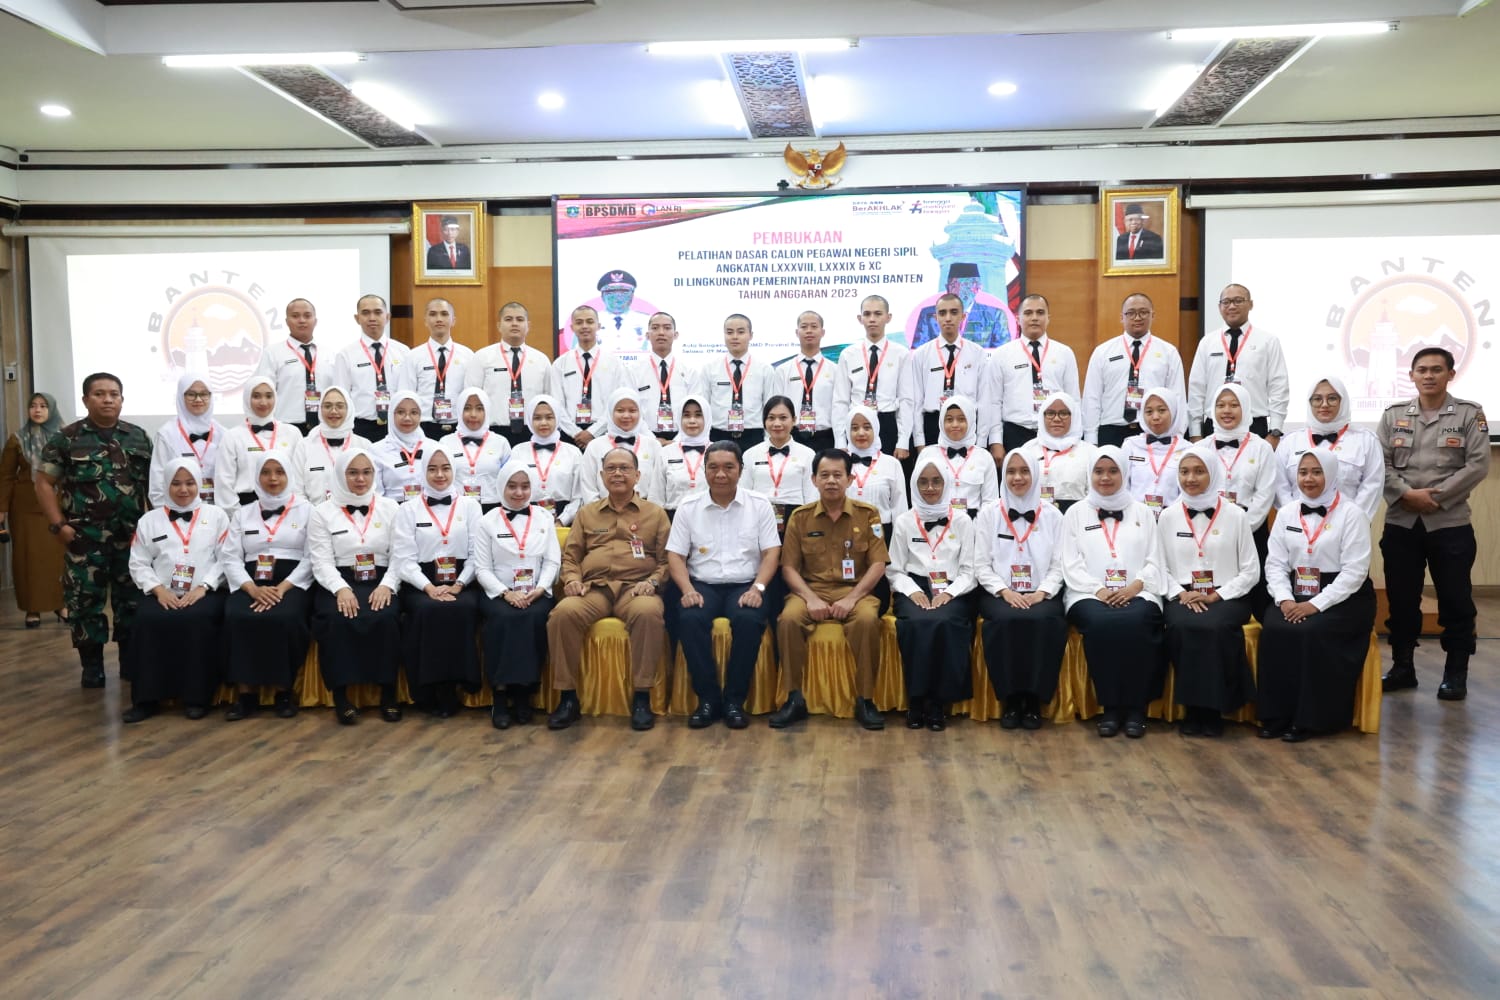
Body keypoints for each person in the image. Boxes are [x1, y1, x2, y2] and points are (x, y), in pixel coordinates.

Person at [1376, 347, 1490, 699]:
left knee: (1455, 600)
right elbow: (1380, 462)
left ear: (1450, 375)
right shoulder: (1394, 415)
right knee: (1402, 600)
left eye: (1436, 370)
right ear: (1410, 375)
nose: (1428, 376)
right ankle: (1403, 667)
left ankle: (1455, 673)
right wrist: (1408, 495)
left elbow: (1478, 465)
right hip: (1402, 524)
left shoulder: (1470, 415)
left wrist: (1434, 498)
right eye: (1421, 370)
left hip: (1450, 525)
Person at [35, 373, 154, 687]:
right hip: (84, 539)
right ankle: (92, 666)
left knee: (131, 600)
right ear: (86, 399)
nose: (107, 399)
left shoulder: (139, 437)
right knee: (84, 601)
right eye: (99, 394)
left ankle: (130, 661)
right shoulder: (67, 438)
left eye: (114, 394)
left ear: (122, 399)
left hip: (131, 539)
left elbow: (152, 488)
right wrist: (58, 524)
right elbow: (44, 483)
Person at [545, 447, 671, 732]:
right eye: (611, 468)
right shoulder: (587, 514)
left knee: (648, 614)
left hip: (636, 590)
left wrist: (652, 582)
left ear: (638, 475)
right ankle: (567, 698)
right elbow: (571, 556)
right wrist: (572, 579)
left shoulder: (656, 514)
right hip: (594, 589)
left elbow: (666, 561)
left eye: (624, 468)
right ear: (601, 475)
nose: (617, 473)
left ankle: (641, 697)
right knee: (562, 614)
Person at [1259, 451, 1377, 741]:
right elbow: (1275, 564)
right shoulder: (1286, 512)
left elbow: (1355, 572)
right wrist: (1285, 599)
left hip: (1343, 596)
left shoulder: (1352, 513)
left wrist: (1315, 604)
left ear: (1331, 474)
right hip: (1295, 590)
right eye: (1303, 473)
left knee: (1311, 631)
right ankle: (1277, 715)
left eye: (1316, 472)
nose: (1308, 479)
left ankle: (1312, 719)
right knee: (1275, 627)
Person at [665, 441, 781, 730]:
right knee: (690, 619)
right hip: (702, 583)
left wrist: (759, 589)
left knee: (748, 619)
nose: (720, 474)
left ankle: (733, 701)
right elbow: (675, 556)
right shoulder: (689, 507)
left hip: (746, 583)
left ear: (740, 470)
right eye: (713, 467)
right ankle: (708, 700)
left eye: (728, 467)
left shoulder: (759, 504)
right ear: (704, 471)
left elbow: (771, 553)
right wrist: (687, 590)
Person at [772, 449, 890, 731]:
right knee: (788, 620)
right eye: (824, 475)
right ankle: (793, 698)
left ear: (850, 479)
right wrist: (810, 598)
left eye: (838, 475)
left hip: (856, 591)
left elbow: (877, 565)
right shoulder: (800, 518)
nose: (831, 481)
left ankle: (865, 699)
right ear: (813, 480)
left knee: (865, 620)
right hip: (811, 590)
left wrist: (852, 598)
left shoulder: (868, 515)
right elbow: (788, 567)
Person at [1061, 446, 1167, 739]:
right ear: (1089, 474)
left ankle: (1136, 708)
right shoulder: (1075, 513)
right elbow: (1069, 563)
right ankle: (1110, 707)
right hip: (1088, 593)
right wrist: (1099, 590)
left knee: (1139, 621)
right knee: (1103, 623)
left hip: (1139, 591)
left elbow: (1155, 559)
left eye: (1112, 471)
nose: (1105, 478)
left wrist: (1135, 587)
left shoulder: (1143, 512)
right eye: (1098, 471)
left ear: (1124, 472)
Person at [121, 456, 231, 723]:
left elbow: (226, 558)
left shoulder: (216, 516)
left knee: (197, 620)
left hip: (205, 592)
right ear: (166, 486)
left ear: (200, 485)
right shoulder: (149, 520)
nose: (183, 490)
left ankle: (197, 698)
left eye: (190, 483)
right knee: (147, 620)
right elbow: (138, 562)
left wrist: (204, 587)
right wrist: (158, 590)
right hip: (163, 591)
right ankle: (146, 699)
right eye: (176, 484)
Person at [1158, 451, 1258, 737]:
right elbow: (1159, 566)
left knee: (1214, 626)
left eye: (1199, 471)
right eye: (1185, 471)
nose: (1190, 478)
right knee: (1181, 624)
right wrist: (1180, 593)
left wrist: (1218, 595)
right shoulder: (1167, 516)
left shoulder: (1236, 515)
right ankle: (1193, 708)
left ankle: (1213, 709)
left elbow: (1251, 571)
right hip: (1183, 596)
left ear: (1213, 473)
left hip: (1227, 595)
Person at [308, 447, 403, 725]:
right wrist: (341, 589)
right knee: (337, 618)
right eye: (352, 472)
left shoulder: (391, 507)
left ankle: (388, 693)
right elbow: (321, 561)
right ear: (340, 474)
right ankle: (341, 696)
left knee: (385, 617)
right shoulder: (322, 512)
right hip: (338, 580)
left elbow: (400, 556)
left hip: (381, 577)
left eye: (366, 472)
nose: (360, 479)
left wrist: (388, 586)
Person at [975, 450, 1068, 730]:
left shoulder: (1053, 515)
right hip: (999, 593)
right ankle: (1011, 699)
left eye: (1024, 471)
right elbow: (981, 565)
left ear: (1035, 474)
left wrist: (1043, 592)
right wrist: (1004, 591)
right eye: (1011, 472)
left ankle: (1034, 700)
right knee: (1006, 620)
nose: (1017, 477)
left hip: (1042, 593)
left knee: (1043, 620)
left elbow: (1059, 564)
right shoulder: (988, 513)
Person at [220, 452, 313, 721]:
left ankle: (284, 693)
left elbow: (311, 557)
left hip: (291, 580)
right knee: (237, 615)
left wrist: (282, 588)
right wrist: (251, 588)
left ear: (289, 475)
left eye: (279, 472)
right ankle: (245, 694)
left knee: (285, 616)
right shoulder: (242, 513)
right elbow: (230, 557)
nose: (273, 478)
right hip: (250, 581)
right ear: (256, 477)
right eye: (266, 472)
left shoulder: (307, 510)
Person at [392, 448, 482, 718]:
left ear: (454, 470)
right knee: (429, 609)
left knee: (461, 608)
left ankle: (454, 685)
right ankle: (428, 688)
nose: (440, 474)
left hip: (462, 580)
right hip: (421, 582)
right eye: (432, 469)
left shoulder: (470, 506)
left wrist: (460, 584)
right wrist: (428, 588)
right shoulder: (408, 510)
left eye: (445, 468)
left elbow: (478, 554)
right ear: (423, 471)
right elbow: (404, 560)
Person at [886, 458, 976, 731]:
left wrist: (949, 593)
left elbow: (970, 570)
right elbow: (894, 569)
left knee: (946, 622)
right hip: (913, 587)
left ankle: (938, 702)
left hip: (954, 588)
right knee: (915, 623)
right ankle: (916, 698)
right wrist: (913, 592)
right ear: (914, 484)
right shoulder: (903, 521)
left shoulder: (962, 521)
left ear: (947, 483)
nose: (930, 487)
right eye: (923, 481)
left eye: (936, 481)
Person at [473, 466, 561, 729]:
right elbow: (482, 568)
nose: (519, 492)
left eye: (525, 486)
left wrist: (540, 588)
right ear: (501, 487)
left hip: (536, 592)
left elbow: (552, 561)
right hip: (498, 592)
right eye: (512, 486)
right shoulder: (487, 521)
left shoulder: (544, 517)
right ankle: (500, 694)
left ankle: (524, 692)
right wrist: (505, 592)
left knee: (533, 618)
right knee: (503, 619)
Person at [1186, 284, 1289, 444]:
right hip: (1213, 427)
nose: (1232, 306)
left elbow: (1279, 387)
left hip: (1255, 426)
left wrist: (1275, 431)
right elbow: (1196, 389)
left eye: (1238, 301)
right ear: (1219, 307)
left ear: (1251, 304)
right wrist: (1195, 432)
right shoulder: (1207, 342)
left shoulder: (1268, 341)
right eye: (1226, 302)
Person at [981, 293, 1081, 456]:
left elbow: (1074, 400)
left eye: (1040, 313)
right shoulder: (1001, 354)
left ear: (1048, 317)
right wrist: (995, 441)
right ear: (1017, 318)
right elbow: (994, 402)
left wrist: (1075, 437)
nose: (1034, 318)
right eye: (1028, 313)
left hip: (1056, 433)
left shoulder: (1064, 353)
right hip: (1015, 433)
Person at [1082, 294, 1185, 447]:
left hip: (1153, 431)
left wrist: (1178, 435)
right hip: (1111, 431)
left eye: (1143, 312)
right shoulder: (1103, 352)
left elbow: (1178, 396)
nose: (1137, 318)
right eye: (1131, 313)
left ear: (1153, 315)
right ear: (1121, 317)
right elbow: (1092, 397)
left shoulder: (1168, 352)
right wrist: (1091, 439)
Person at [1274, 375, 1383, 519]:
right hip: (1299, 526)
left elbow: (1371, 487)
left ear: (1342, 402)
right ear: (1309, 402)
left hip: (1348, 526)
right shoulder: (1289, 442)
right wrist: (1293, 519)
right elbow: (1281, 487)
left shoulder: (1366, 441)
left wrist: (1353, 522)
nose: (1324, 404)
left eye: (1332, 398)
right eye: (1317, 399)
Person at [0, 392, 65, 628]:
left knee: (59, 559)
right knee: (28, 560)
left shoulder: (65, 437)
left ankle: (61, 605)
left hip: (58, 506)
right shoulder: (17, 439)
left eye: (44, 406)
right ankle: (32, 608)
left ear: (52, 409)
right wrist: (1, 510)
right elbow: (5, 477)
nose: (37, 410)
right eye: (33, 406)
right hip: (25, 509)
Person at [463, 302, 559, 446]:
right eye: (508, 319)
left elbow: (548, 400)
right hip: (493, 432)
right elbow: (470, 397)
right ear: (499, 325)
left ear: (528, 325)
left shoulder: (541, 360)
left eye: (520, 319)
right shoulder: (482, 357)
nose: (514, 324)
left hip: (532, 433)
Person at [901, 292, 988, 453]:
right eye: (942, 313)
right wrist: (920, 441)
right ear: (936, 317)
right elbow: (917, 402)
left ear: (963, 316)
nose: (948, 318)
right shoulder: (921, 354)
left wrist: (981, 441)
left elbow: (984, 401)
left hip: (966, 423)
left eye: (954, 312)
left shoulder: (978, 353)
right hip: (933, 424)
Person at [832, 295, 911, 457]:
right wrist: (840, 442)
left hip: (887, 422)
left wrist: (903, 441)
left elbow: (906, 400)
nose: (872, 319)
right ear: (860, 319)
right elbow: (840, 401)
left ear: (888, 317)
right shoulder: (848, 355)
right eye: (867, 314)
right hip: (856, 423)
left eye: (878, 314)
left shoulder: (901, 354)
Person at [331, 293, 411, 442]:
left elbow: (409, 392)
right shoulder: (346, 354)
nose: (372, 318)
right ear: (357, 318)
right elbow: (341, 396)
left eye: (378, 312)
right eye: (366, 313)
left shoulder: (404, 352)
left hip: (397, 425)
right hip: (361, 427)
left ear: (387, 317)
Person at [216, 375, 305, 509]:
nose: (263, 402)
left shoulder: (292, 433)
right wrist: (239, 515)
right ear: (247, 398)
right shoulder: (232, 436)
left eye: (269, 396)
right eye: (256, 396)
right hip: (245, 507)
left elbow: (300, 478)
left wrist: (295, 510)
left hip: (287, 508)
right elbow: (224, 483)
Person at [399, 297, 474, 440]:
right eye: (433, 314)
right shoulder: (413, 356)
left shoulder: (468, 355)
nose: (439, 319)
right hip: (423, 426)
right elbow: (406, 394)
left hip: (458, 426)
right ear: (425, 321)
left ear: (453, 320)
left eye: (444, 314)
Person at [742, 396, 817, 537]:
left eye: (783, 418)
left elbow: (811, 495)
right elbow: (744, 493)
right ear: (764, 421)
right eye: (771, 418)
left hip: (796, 517)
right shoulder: (750, 454)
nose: (777, 423)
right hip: (759, 517)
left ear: (794, 420)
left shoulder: (807, 454)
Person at [912, 396, 998, 518]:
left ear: (971, 421)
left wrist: (981, 529)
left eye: (962, 419)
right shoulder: (927, 454)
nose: (955, 424)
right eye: (949, 420)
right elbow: (917, 497)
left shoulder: (984, 457)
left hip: (975, 523)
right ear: (941, 422)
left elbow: (990, 502)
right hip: (937, 521)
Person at [150, 374, 228, 507]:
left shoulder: (224, 434)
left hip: (218, 512)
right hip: (179, 512)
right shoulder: (166, 434)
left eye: (204, 394)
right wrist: (169, 517)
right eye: (191, 394)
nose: (198, 399)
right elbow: (157, 484)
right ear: (181, 396)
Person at [551, 304, 622, 449]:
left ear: (598, 326)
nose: (584, 326)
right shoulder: (560, 364)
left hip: (604, 432)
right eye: (579, 322)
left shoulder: (614, 363)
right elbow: (557, 404)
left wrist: (593, 432)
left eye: (589, 322)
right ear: (572, 328)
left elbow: (615, 404)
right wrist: (575, 433)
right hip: (570, 435)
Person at [706, 312, 778, 450]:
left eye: (740, 332)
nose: (734, 337)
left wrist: (769, 441)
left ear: (751, 335)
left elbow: (770, 408)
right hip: (718, 435)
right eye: (729, 332)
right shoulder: (710, 369)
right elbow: (704, 408)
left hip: (753, 436)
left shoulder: (764, 369)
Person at [626, 312, 701, 444]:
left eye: (667, 328)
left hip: (682, 439)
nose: (661, 332)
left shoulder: (689, 370)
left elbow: (696, 411)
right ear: (647, 335)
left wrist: (678, 440)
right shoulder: (633, 371)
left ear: (676, 334)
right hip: (644, 439)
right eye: (655, 328)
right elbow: (630, 409)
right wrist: (652, 439)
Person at [511, 395, 586, 525]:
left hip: (565, 520)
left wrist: (562, 520)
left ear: (557, 418)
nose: (543, 423)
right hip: (525, 519)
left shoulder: (573, 453)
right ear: (529, 419)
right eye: (537, 418)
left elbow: (578, 496)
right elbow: (511, 490)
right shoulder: (518, 451)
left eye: (549, 417)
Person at [256, 297, 326, 434]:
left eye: (307, 316)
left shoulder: (330, 354)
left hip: (323, 427)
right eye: (295, 316)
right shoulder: (272, 353)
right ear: (287, 321)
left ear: (315, 321)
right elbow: (263, 392)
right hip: (286, 428)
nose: (302, 320)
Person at [580, 388, 661, 504]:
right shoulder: (594, 446)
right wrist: (598, 515)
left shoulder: (653, 445)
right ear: (610, 412)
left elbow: (658, 487)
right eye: (620, 410)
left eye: (632, 410)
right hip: (603, 513)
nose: (626, 415)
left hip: (645, 514)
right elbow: (588, 487)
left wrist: (648, 514)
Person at [1019, 391, 1096, 513]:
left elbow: (1095, 496)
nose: (1056, 419)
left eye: (1064, 413)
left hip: (1077, 516)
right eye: (1050, 413)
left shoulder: (1090, 453)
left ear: (1074, 416)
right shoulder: (1027, 450)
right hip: (1034, 518)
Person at [437, 388, 511, 513]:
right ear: (459, 410)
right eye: (467, 408)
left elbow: (509, 480)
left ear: (487, 411)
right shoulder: (446, 442)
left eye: (479, 408)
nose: (473, 414)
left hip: (492, 509)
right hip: (455, 509)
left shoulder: (501, 442)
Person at [1120, 385, 1189, 516]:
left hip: (1174, 517)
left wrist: (1170, 514)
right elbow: (1122, 485)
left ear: (1174, 412)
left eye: (1162, 410)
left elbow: (1188, 490)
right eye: (1149, 412)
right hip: (1136, 517)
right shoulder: (1131, 446)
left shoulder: (1187, 449)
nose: (1155, 417)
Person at [298, 385, 371, 505]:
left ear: (349, 409)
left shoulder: (364, 445)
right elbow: (297, 491)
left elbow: (372, 489)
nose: (333, 411)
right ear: (320, 409)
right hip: (313, 516)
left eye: (340, 406)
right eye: (327, 406)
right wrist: (314, 516)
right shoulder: (304, 446)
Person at [911, 263, 1012, 348]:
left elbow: (1002, 356)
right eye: (954, 285)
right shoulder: (928, 314)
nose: (959, 291)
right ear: (947, 287)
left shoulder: (995, 316)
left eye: (966, 285)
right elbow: (917, 354)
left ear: (978, 288)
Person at [842, 405, 908, 532]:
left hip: (882, 533)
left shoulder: (891, 464)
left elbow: (899, 508)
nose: (861, 433)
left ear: (876, 429)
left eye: (867, 427)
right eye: (854, 428)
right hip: (846, 532)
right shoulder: (840, 463)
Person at [782, 310, 837, 454]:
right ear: (797, 331)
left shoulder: (835, 370)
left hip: (825, 437)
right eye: (804, 327)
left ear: (822, 332)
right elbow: (777, 407)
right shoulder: (783, 370)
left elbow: (839, 407)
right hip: (792, 436)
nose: (809, 331)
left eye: (814, 326)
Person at [370, 391, 439, 502]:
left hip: (427, 511)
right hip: (392, 512)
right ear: (392, 414)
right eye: (401, 412)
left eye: (414, 412)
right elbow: (376, 495)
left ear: (420, 415)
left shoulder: (434, 447)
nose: (407, 418)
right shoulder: (376, 450)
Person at [651, 393, 713, 513]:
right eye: (686, 415)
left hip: (710, 516)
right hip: (673, 517)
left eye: (698, 415)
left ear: (707, 417)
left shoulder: (718, 451)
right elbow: (656, 496)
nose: (692, 421)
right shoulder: (665, 453)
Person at [595, 269, 654, 356]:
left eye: (624, 292)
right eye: (611, 292)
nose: (617, 296)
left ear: (632, 295)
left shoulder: (647, 321)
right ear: (602, 296)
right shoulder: (590, 321)